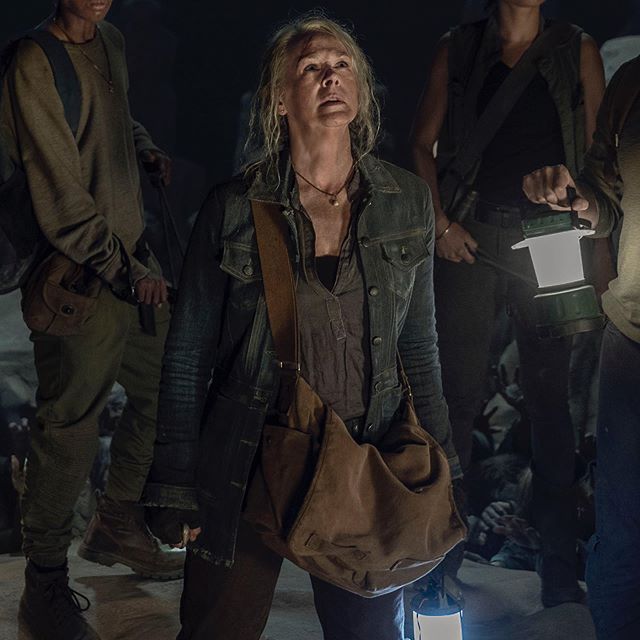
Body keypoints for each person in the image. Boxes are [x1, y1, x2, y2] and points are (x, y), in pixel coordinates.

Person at [143, 14, 461, 640]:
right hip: (249, 456)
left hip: (363, 457)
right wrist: (174, 481)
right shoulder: (236, 208)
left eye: (342, 65)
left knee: (366, 633)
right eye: (311, 68)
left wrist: (444, 463)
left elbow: (419, 346)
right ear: (279, 98)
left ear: (361, 87)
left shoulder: (405, 201)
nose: (330, 77)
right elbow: (186, 355)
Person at [411, 0, 606, 606]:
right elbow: (421, 145)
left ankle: (557, 570)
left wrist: (582, 209)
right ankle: (441, 563)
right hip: (471, 236)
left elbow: (597, 158)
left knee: (551, 403)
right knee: (454, 399)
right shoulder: (459, 48)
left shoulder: (575, 48)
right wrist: (440, 224)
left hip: (549, 238)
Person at [0, 1, 185, 638]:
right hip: (76, 275)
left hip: (128, 262)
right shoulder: (34, 60)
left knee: (163, 385)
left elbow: (111, 119)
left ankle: (118, 522)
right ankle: (45, 580)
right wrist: (122, 268)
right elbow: (57, 190)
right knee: (69, 427)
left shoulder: (109, 39)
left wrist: (143, 147)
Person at [523, 54, 640, 640]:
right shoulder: (632, 83)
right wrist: (580, 200)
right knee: (621, 538)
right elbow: (607, 199)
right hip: (632, 339)